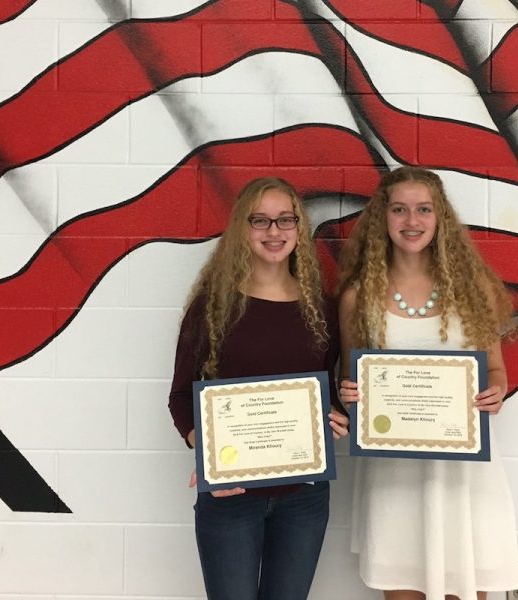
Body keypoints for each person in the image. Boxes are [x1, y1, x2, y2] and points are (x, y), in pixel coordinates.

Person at [337, 166, 518, 600]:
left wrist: (497, 391)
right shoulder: (356, 298)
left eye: (423, 210)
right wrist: (350, 393)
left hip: (463, 473)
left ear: (440, 219)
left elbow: (496, 371)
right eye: (399, 210)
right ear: (383, 218)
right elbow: (351, 380)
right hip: (393, 474)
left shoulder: (472, 289)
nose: (411, 221)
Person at [168, 177, 350, 600]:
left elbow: (328, 390)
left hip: (304, 497)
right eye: (261, 220)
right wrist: (208, 455)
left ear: (298, 229)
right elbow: (180, 398)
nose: (274, 231)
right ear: (242, 229)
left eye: (285, 220)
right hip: (231, 496)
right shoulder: (213, 306)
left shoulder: (321, 308)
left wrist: (337, 415)